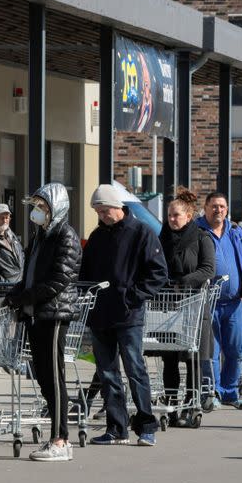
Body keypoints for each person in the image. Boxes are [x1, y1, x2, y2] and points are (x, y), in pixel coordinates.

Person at [79, 184, 168, 446]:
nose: (102, 216)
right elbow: (86, 274)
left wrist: (133, 296)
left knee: (135, 369)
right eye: (98, 212)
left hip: (128, 314)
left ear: (118, 207)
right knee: (107, 372)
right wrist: (85, 298)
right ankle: (116, 427)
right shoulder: (97, 237)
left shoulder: (141, 232)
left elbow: (158, 272)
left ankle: (146, 426)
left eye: (105, 210)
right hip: (100, 314)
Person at [4, 183, 82, 462]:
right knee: (43, 376)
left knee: (54, 375)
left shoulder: (66, 236)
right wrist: (14, 294)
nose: (37, 212)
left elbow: (59, 280)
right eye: (36, 206)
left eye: (43, 207)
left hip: (54, 313)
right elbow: (30, 274)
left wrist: (27, 296)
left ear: (56, 208)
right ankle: (57, 436)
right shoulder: (40, 236)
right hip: (36, 313)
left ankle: (60, 440)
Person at [156, 187, 215, 426]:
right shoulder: (161, 238)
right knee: (169, 358)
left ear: (188, 216)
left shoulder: (202, 238)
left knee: (192, 357)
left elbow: (208, 269)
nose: (171, 219)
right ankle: (170, 403)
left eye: (176, 215)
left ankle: (190, 404)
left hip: (193, 303)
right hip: (167, 304)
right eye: (169, 215)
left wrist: (182, 281)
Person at [197, 192, 242, 409]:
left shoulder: (236, 231)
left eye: (222, 206)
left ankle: (230, 392)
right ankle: (213, 392)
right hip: (207, 303)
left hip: (234, 303)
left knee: (238, 351)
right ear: (205, 207)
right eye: (214, 206)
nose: (218, 210)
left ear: (227, 209)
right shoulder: (198, 231)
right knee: (211, 352)